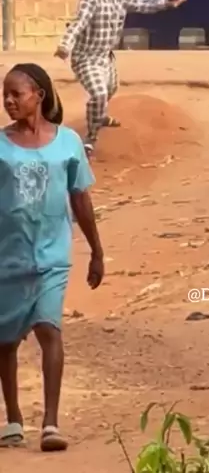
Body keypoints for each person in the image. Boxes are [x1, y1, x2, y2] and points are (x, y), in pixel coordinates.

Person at [0, 63, 103, 452]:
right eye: (5, 95)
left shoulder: (68, 143)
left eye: (16, 94)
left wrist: (96, 251)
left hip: (51, 254)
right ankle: (13, 418)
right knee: (5, 341)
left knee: (49, 328)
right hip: (6, 255)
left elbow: (80, 199)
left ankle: (51, 423)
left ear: (39, 95)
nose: (9, 101)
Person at [55, 0, 188, 156]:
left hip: (106, 57)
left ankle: (100, 116)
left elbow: (143, 5)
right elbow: (78, 24)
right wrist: (65, 46)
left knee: (111, 88)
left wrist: (170, 3)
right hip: (86, 58)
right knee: (99, 93)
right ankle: (91, 138)